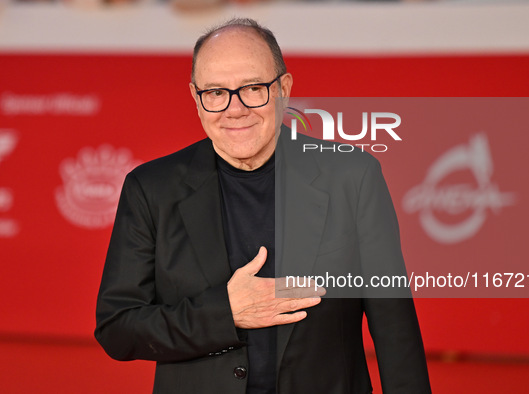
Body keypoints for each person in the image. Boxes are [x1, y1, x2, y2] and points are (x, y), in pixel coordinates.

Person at [95, 18, 431, 394]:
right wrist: (226, 313)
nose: (234, 109)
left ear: (284, 88)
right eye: (216, 92)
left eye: (253, 88)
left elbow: (395, 330)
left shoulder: (353, 177)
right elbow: (118, 327)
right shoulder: (150, 188)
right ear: (195, 97)